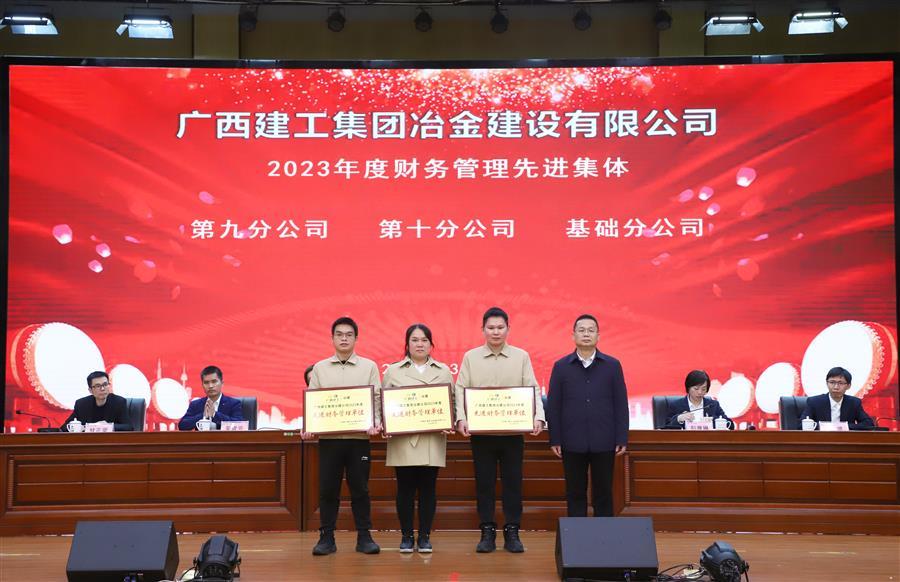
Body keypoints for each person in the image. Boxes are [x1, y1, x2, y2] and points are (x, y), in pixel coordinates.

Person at [454, 306, 545, 554]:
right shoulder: (471, 357)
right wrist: (461, 418)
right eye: (491, 327)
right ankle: (487, 531)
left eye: (500, 327)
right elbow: (460, 389)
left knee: (512, 484)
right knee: (484, 484)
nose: (496, 332)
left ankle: (512, 531)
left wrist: (538, 416)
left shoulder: (521, 356)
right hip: (481, 435)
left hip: (512, 435)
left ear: (508, 329)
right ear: (483, 330)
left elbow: (532, 388)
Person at [302, 316, 382, 556]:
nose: (344, 338)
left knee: (361, 490)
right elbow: (313, 401)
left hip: (359, 440)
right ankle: (326, 538)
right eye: (339, 334)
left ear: (356, 338)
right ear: (332, 338)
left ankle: (364, 537)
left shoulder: (369, 366)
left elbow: (377, 399)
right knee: (328, 490)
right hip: (330, 441)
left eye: (349, 334)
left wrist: (376, 422)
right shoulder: (320, 368)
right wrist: (309, 425)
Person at [547, 314, 629, 518]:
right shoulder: (561, 366)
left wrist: (621, 437)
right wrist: (555, 439)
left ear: (598, 336)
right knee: (575, 492)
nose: (586, 334)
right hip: (571, 441)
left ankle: (604, 534)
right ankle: (577, 534)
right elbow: (554, 405)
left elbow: (620, 403)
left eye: (591, 330)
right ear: (573, 335)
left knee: (604, 492)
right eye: (581, 330)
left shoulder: (612, 365)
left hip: (604, 439)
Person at [382, 323, 454, 554]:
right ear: (407, 344)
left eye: (424, 340)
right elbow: (383, 402)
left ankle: (424, 536)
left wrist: (449, 420)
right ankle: (406, 536)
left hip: (431, 438)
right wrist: (385, 423)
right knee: (404, 489)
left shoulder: (443, 371)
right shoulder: (393, 371)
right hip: (403, 439)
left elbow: (451, 401)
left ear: (431, 345)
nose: (419, 344)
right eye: (414, 340)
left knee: (428, 489)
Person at [801, 367, 875, 430]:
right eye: (832, 382)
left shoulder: (854, 403)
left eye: (841, 383)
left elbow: (868, 424)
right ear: (827, 383)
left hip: (845, 440)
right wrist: (826, 427)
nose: (836, 387)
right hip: (821, 440)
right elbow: (801, 425)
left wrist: (844, 427)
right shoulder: (814, 402)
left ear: (848, 386)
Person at [61, 371, 133, 431]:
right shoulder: (81, 404)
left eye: (105, 384)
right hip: (88, 441)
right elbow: (64, 427)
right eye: (98, 386)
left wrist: (108, 426)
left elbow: (129, 427)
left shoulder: (119, 402)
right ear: (90, 390)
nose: (102, 389)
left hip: (111, 441)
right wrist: (81, 427)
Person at [178, 365, 243, 430]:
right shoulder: (195, 404)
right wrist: (203, 415)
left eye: (214, 382)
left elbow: (239, 426)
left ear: (222, 383)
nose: (210, 386)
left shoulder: (234, 404)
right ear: (202, 385)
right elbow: (182, 425)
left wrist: (214, 414)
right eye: (206, 383)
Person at [664, 370, 732, 429]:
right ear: (688, 388)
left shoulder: (713, 405)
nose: (700, 392)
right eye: (696, 389)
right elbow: (666, 427)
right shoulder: (676, 405)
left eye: (703, 389)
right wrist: (679, 418)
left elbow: (731, 425)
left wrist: (713, 420)